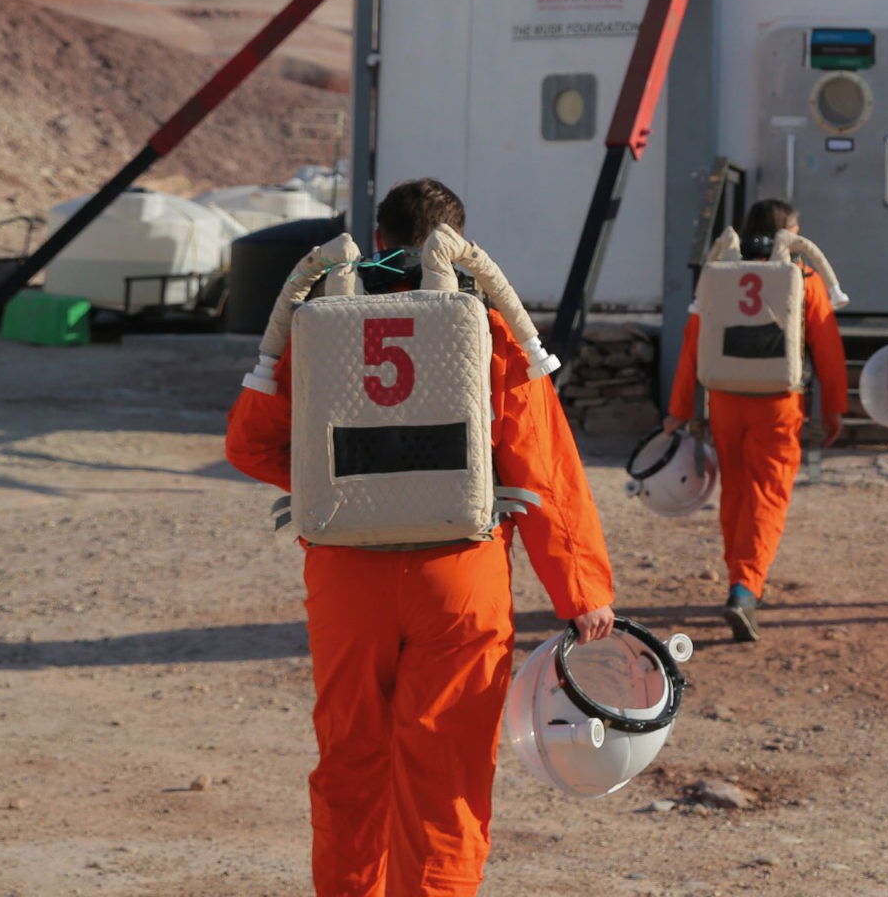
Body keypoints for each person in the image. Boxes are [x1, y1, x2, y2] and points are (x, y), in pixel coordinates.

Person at [225, 177, 615, 897]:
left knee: (350, 762)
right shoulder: (485, 326)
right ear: (457, 240)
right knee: (446, 773)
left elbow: (249, 445)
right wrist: (581, 592)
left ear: (378, 241)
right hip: (458, 577)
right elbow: (545, 469)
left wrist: (340, 490)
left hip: (347, 576)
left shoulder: (323, 320)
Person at [662, 198, 847, 643]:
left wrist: (680, 409)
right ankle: (745, 588)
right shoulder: (804, 278)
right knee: (768, 495)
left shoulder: (720, 276)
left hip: (725, 401)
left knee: (737, 493)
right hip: (778, 404)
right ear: (792, 231)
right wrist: (834, 408)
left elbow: (693, 342)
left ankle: (740, 580)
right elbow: (827, 347)